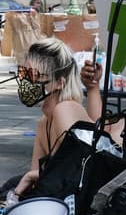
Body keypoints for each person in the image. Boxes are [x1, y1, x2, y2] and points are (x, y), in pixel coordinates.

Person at [11, 38, 98, 198]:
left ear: (59, 82)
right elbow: (36, 179)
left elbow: (73, 174)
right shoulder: (44, 122)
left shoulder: (64, 109)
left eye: (33, 75)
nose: (25, 81)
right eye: (23, 73)